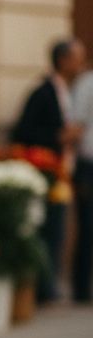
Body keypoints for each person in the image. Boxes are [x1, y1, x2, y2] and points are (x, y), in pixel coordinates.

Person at [10, 38, 86, 300]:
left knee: (57, 233)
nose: (81, 64)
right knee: (48, 232)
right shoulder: (42, 92)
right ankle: (43, 289)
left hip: (63, 174)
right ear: (62, 61)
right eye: (77, 58)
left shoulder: (69, 91)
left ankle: (49, 286)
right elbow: (22, 132)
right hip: (45, 174)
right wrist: (59, 137)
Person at [71, 62, 93, 302]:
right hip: (89, 166)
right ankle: (82, 290)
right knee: (88, 229)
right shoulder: (88, 83)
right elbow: (76, 125)